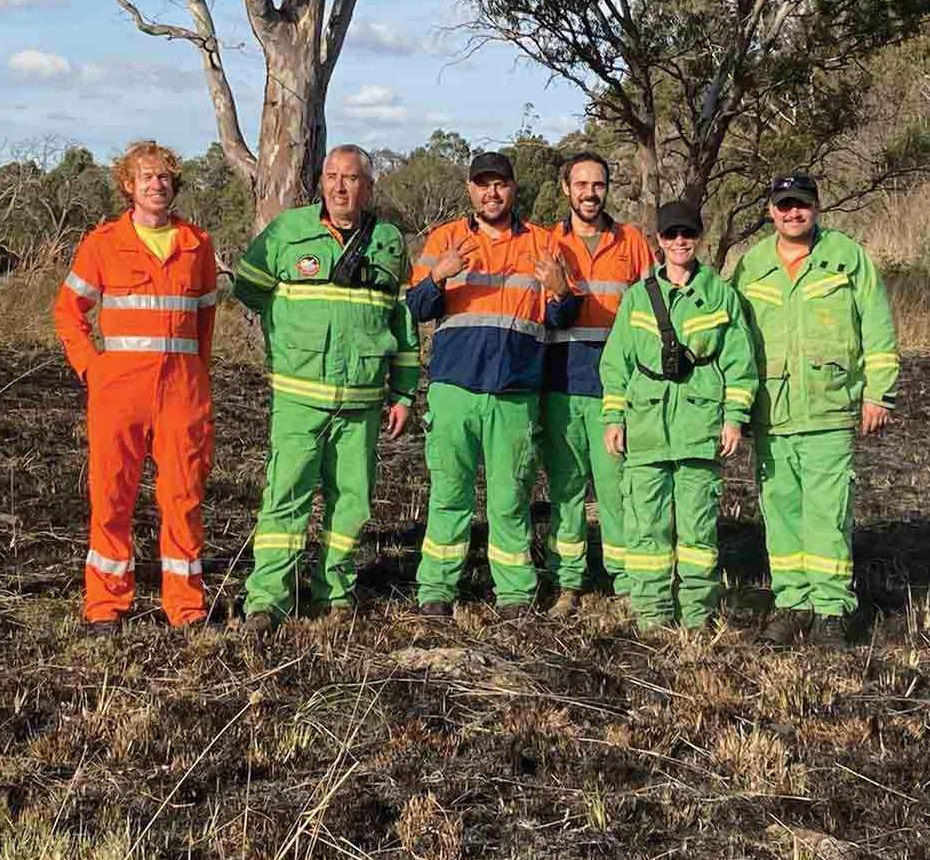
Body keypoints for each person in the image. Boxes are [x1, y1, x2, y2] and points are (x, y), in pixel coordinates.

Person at [231, 145, 419, 631]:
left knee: (352, 502)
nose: (340, 186)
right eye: (332, 176)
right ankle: (267, 600)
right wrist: (290, 337)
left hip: (362, 401)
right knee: (285, 496)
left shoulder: (389, 242)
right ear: (321, 182)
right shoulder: (288, 231)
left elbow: (401, 322)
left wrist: (402, 393)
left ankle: (334, 592)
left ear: (368, 187)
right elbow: (249, 288)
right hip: (299, 396)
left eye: (352, 178)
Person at [53, 141, 219, 635]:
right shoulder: (102, 243)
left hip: (183, 391)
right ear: (128, 185)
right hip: (118, 390)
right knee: (111, 495)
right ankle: (105, 606)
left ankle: (186, 608)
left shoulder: (197, 244)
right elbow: (69, 313)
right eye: (146, 176)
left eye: (164, 176)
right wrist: (92, 369)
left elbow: (206, 319)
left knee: (184, 496)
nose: (156, 184)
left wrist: (198, 377)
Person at [728, 173, 900, 647]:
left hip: (829, 409)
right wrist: (734, 408)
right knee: (781, 513)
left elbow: (877, 325)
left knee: (827, 513)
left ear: (816, 207)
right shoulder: (752, 266)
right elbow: (734, 342)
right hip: (772, 413)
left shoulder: (846, 257)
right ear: (770, 211)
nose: (792, 213)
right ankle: (792, 604)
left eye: (800, 204)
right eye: (783, 205)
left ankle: (831, 612)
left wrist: (877, 393)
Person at [406, 151, 579, 619]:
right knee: (449, 495)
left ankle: (515, 595)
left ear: (513, 187)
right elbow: (416, 308)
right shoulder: (446, 239)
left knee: (509, 499)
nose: (492, 192)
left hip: (515, 393)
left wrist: (560, 289)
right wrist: (438, 277)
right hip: (454, 390)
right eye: (482, 184)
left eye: (500, 183)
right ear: (470, 190)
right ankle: (437, 591)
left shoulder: (543, 244)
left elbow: (563, 319)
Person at [599, 200, 756, 631]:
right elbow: (617, 364)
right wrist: (614, 418)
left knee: (698, 532)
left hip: (699, 428)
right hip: (646, 429)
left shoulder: (721, 296)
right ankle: (651, 618)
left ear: (699, 238)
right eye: (671, 235)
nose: (680, 241)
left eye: (687, 233)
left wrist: (734, 417)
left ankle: (696, 617)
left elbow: (740, 364)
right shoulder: (638, 297)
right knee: (645, 528)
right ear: (659, 242)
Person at [540, 151, 655, 617]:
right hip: (560, 382)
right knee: (566, 490)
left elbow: (652, 309)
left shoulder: (631, 241)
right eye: (581, 185)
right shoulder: (546, 242)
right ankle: (568, 583)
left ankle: (626, 583)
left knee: (616, 489)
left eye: (599, 185)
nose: (590, 193)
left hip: (614, 388)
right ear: (566, 188)